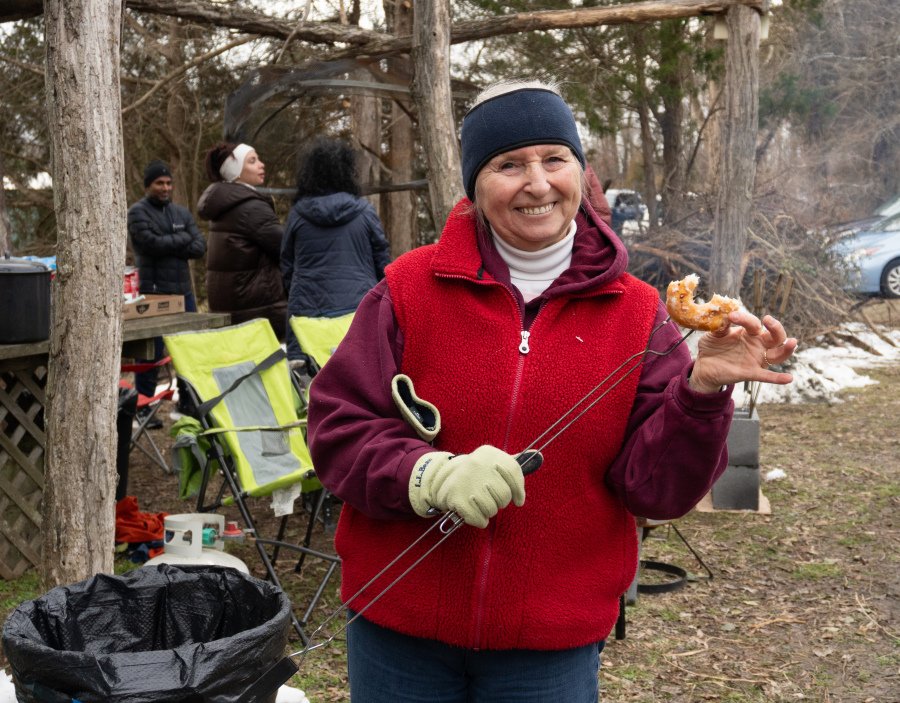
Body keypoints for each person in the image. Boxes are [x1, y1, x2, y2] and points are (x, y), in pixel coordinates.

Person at [306, 79, 798, 703]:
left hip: (549, 649)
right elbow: (335, 429)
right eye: (508, 164)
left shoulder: (639, 313)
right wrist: (425, 474)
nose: (536, 184)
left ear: (581, 174)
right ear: (475, 187)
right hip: (398, 630)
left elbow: (657, 491)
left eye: (553, 159)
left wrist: (700, 393)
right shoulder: (409, 289)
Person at [281, 137, 391, 363]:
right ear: (347, 172)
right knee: (361, 374)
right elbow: (383, 264)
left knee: (307, 380)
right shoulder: (364, 213)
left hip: (306, 313)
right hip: (358, 309)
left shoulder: (298, 216)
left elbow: (287, 267)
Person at [127, 159, 206, 426]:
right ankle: (143, 408)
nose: (166, 187)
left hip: (184, 293)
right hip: (153, 293)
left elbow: (199, 246)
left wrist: (172, 242)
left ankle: (186, 404)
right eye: (160, 183)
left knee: (190, 350)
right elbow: (149, 244)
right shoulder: (137, 212)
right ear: (148, 185)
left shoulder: (181, 213)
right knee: (151, 352)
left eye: (169, 183)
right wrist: (181, 240)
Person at [198, 142, 287, 339]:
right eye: (252, 161)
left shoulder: (225, 204)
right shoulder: (250, 207)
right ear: (236, 171)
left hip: (233, 304)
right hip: (259, 307)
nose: (261, 165)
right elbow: (286, 248)